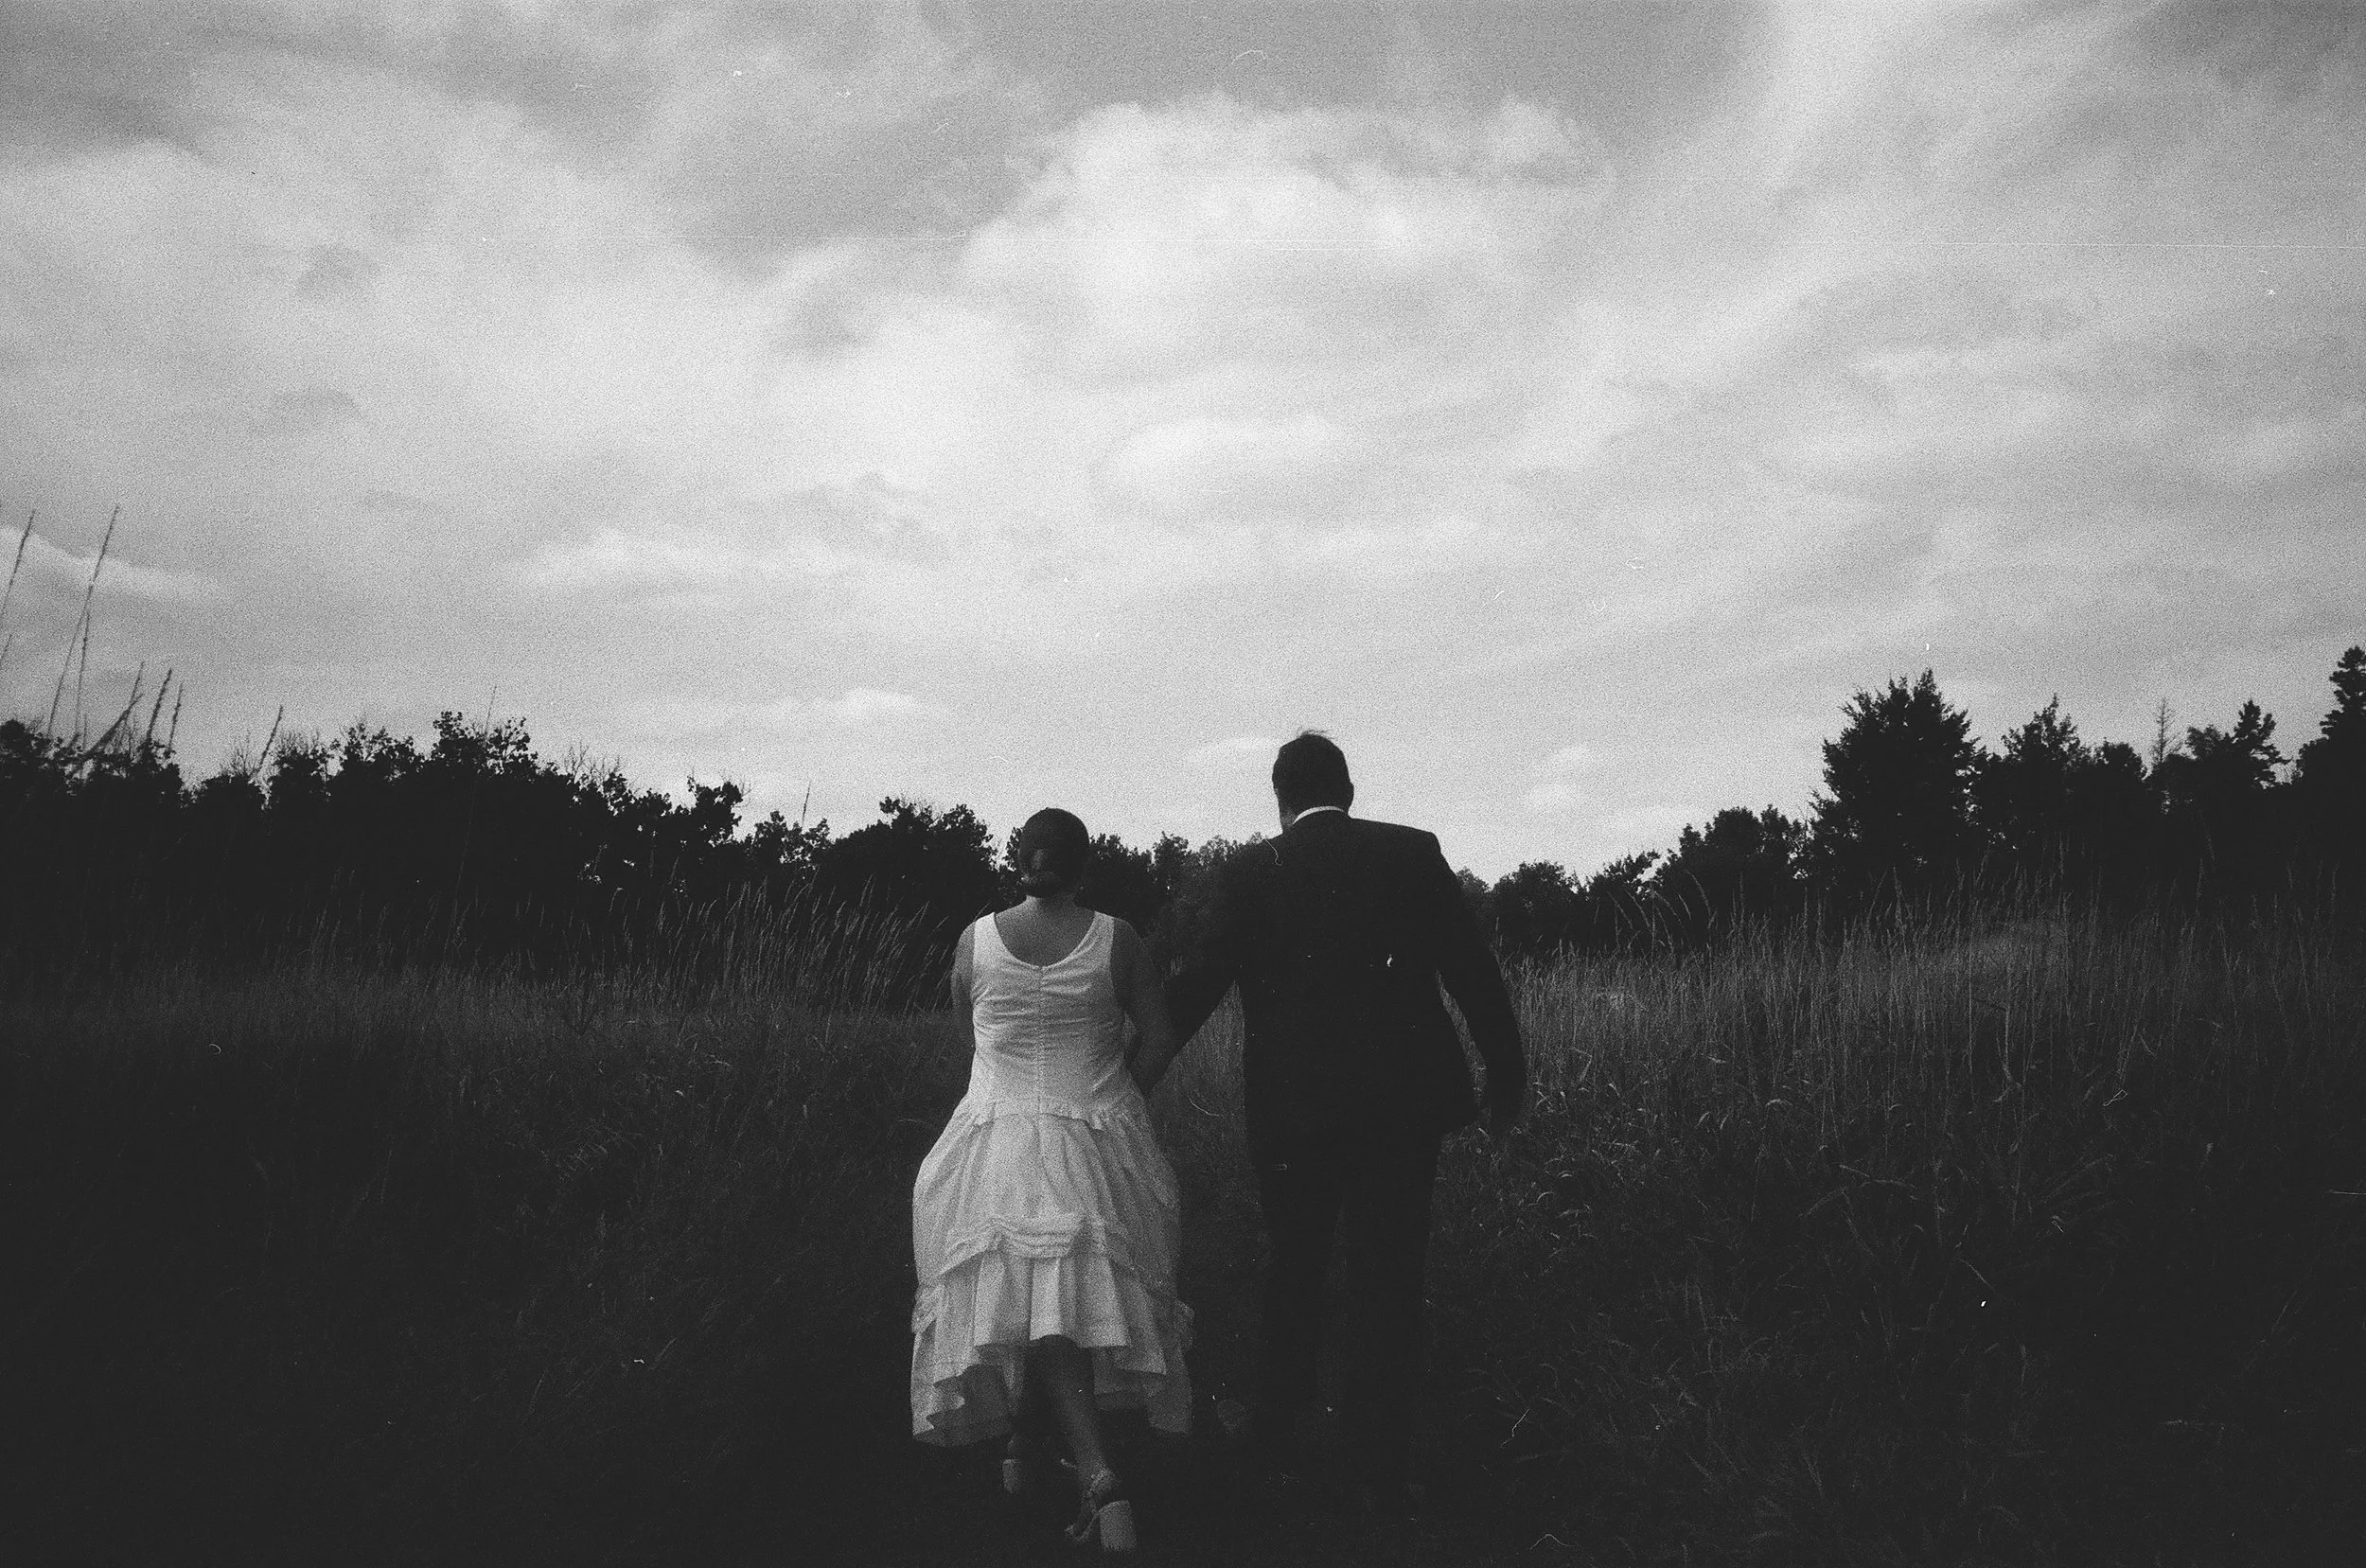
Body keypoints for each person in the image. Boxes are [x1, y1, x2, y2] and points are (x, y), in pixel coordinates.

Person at [1166, 731, 1525, 1507]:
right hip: (1403, 1106)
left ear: (1281, 798)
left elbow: (1198, 983)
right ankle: (1380, 1462)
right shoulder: (1412, 852)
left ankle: (1276, 1434)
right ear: (1350, 790)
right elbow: (1473, 971)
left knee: (1296, 1261)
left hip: (1294, 1111)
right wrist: (1507, 1078)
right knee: (1389, 1273)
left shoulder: (1250, 870)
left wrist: (1132, 1067)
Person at [909, 807, 1192, 1553]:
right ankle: (1049, 1454)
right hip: (1093, 1129)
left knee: (1033, 1294)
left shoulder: (975, 940)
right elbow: (1160, 1038)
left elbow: (968, 1028)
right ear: (1083, 864)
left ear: (1017, 859)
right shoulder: (1118, 938)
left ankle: (1083, 1469)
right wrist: (1115, 1097)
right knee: (1049, 1296)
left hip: (995, 1135)